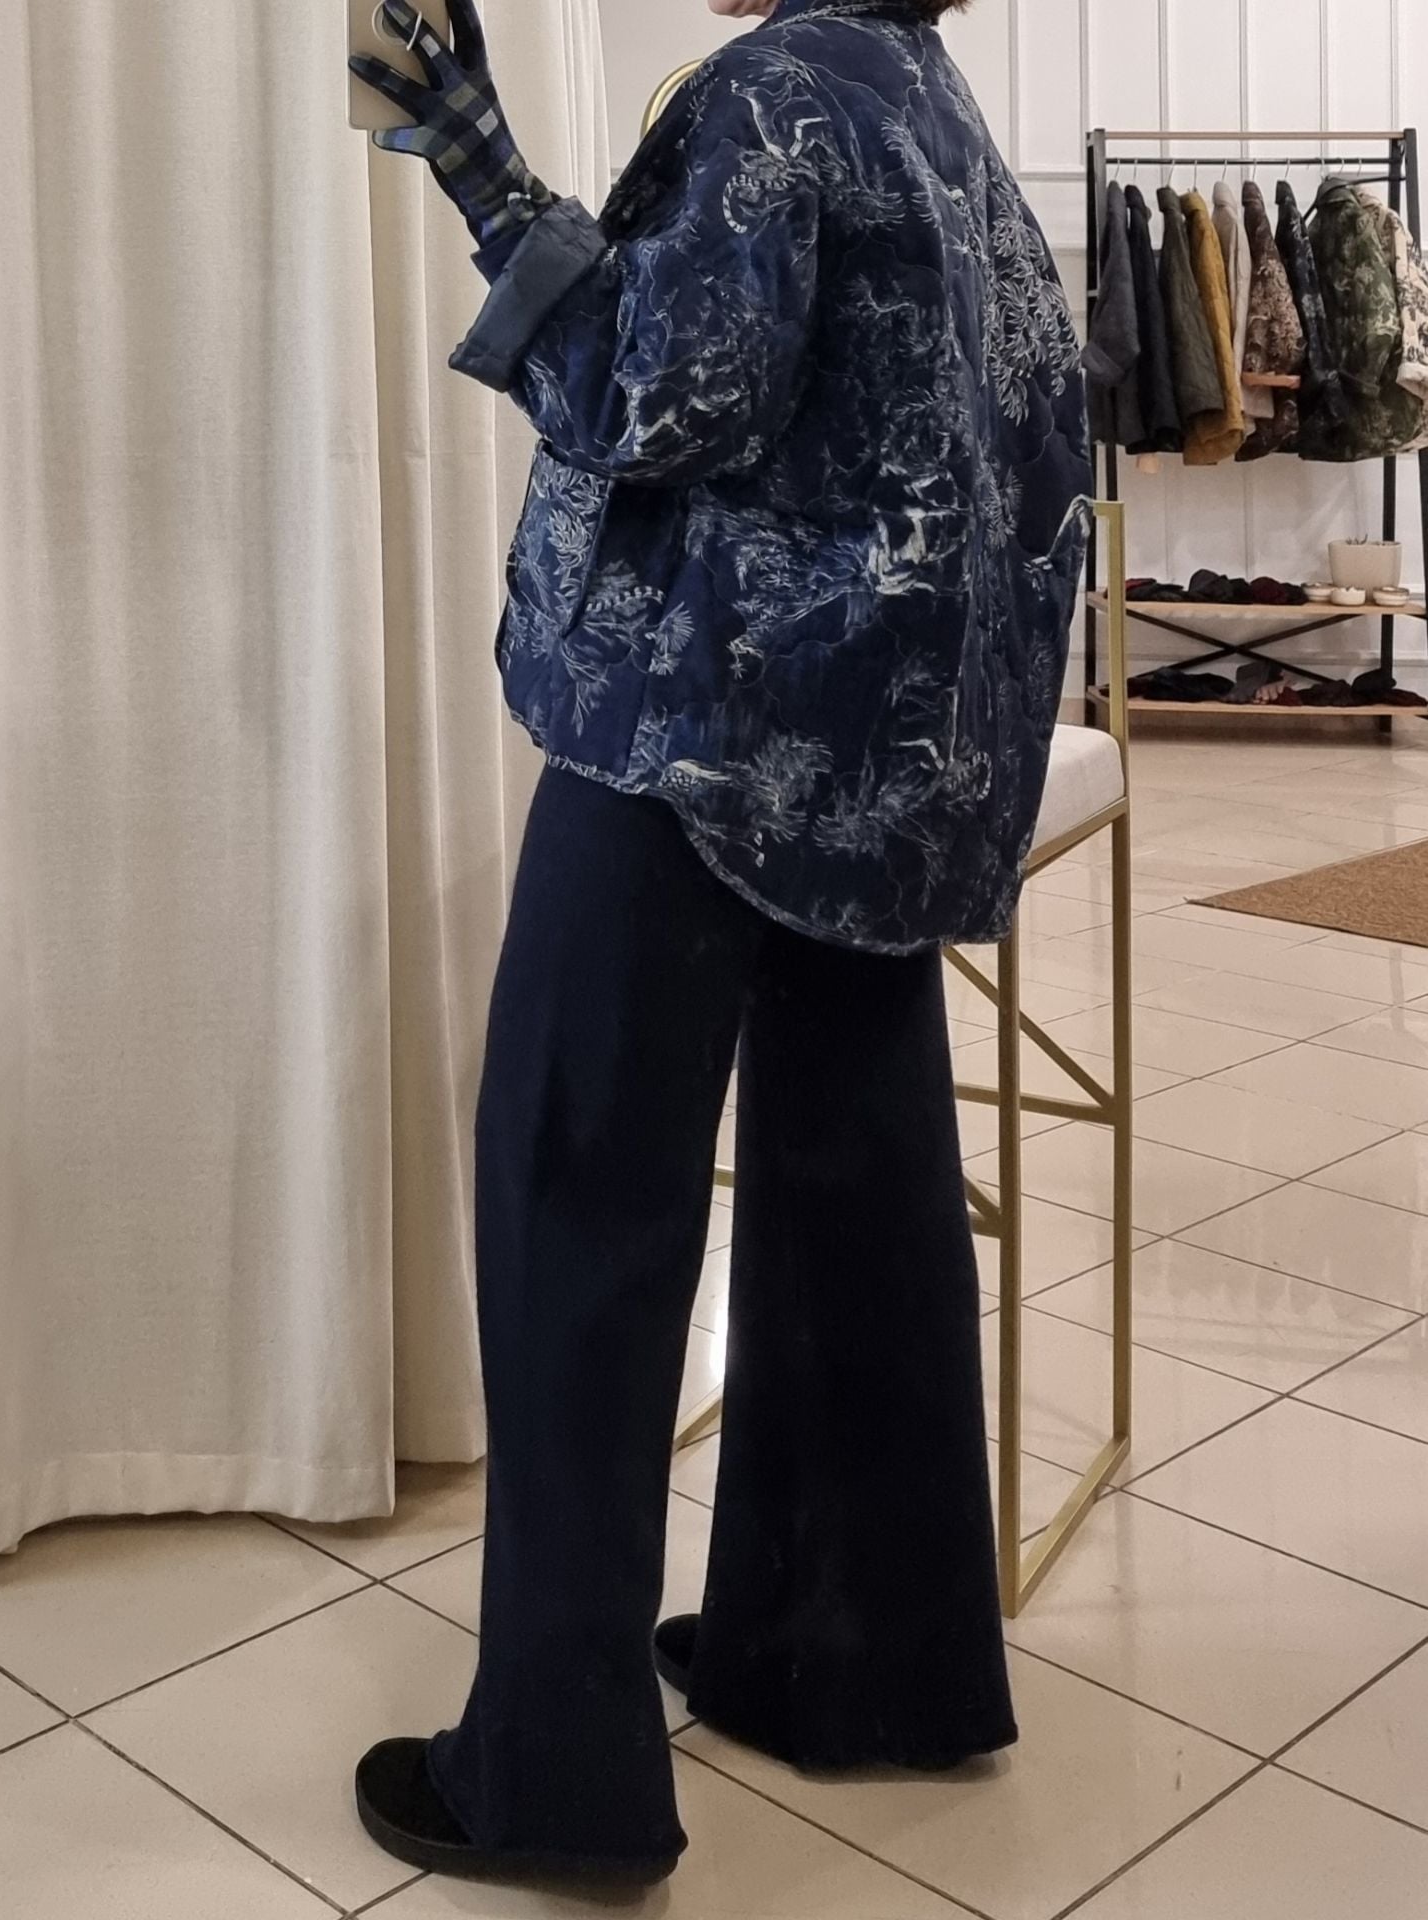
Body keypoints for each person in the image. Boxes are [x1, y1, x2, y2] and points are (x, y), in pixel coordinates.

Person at [348, 0, 1089, 1887]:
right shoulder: (932, 105)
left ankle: (556, 1779)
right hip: (880, 766)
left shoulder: (770, 95)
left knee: (576, 1201)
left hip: (699, 734)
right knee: (865, 1204)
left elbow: (656, 395)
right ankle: (863, 1660)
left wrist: (479, 170)